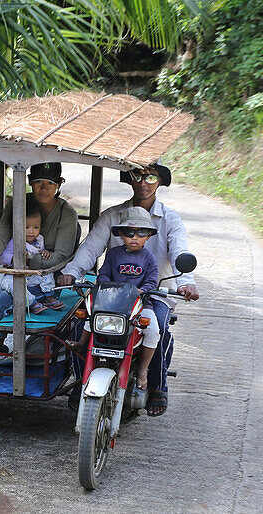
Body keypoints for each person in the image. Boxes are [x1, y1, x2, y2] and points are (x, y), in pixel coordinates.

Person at [57, 161, 198, 416]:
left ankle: (157, 385)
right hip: (112, 295)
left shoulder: (170, 219)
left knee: (160, 328)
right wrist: (71, 272)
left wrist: (187, 283)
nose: (144, 183)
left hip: (154, 294)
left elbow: (180, 251)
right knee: (80, 325)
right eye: (137, 176)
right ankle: (81, 383)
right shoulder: (113, 216)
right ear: (129, 180)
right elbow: (91, 247)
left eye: (151, 178)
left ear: (160, 182)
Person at [0, 162, 79, 386]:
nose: (43, 188)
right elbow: (1, 234)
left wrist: (27, 261)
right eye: (38, 182)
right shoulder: (18, 204)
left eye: (50, 183)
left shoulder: (67, 214)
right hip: (11, 275)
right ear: (29, 182)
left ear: (58, 185)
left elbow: (62, 256)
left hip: (44, 281)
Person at [96, 206, 161, 391]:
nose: (135, 237)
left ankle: (142, 369)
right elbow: (104, 274)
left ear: (148, 236)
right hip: (112, 303)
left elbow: (151, 281)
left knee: (153, 331)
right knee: (89, 320)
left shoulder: (149, 258)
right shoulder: (113, 253)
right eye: (129, 232)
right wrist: (107, 286)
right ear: (121, 234)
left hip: (140, 305)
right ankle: (82, 345)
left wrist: (142, 291)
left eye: (141, 232)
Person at [0, 199, 59, 315]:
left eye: (36, 227)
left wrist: (45, 252)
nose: (31, 232)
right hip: (12, 276)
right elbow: (0, 258)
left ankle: (49, 296)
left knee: (47, 272)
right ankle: (32, 303)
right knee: (13, 286)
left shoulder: (39, 240)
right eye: (27, 227)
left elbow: (38, 253)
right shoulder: (13, 242)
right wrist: (14, 259)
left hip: (30, 276)